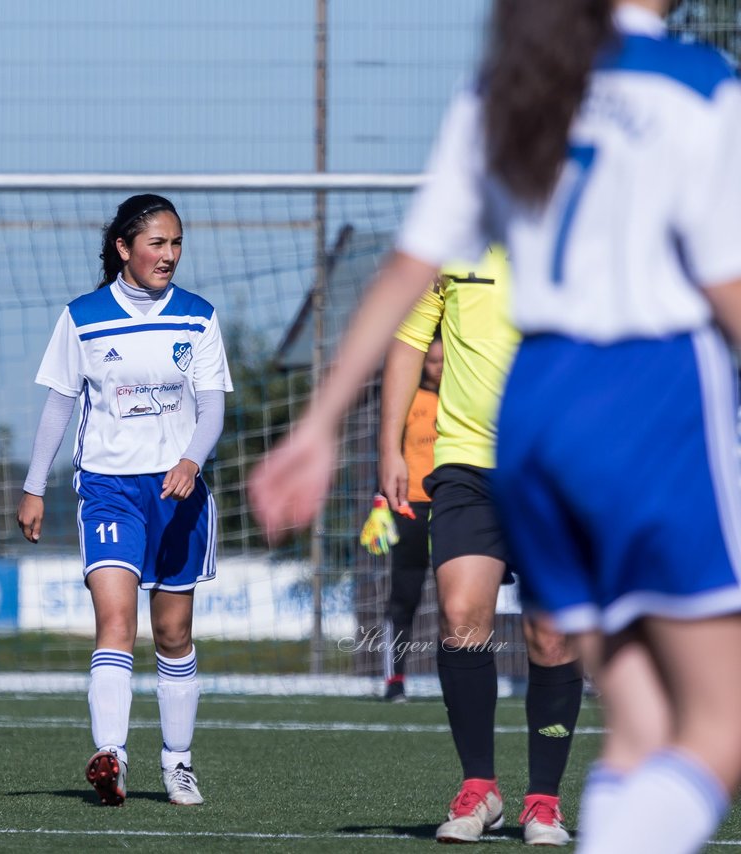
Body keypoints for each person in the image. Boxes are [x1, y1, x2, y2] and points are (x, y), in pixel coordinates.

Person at [250, 1, 741, 851]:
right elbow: (725, 280)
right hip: (637, 395)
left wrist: (319, 421)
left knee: (625, 699)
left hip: (536, 409)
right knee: (714, 716)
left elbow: (405, 264)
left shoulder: (505, 86)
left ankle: (552, 803)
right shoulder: (702, 85)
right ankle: (515, 796)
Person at [17, 194, 233, 807]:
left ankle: (178, 763)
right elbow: (60, 403)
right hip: (110, 489)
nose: (169, 255)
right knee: (115, 623)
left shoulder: (197, 316)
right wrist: (35, 486)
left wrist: (191, 460)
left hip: (177, 489)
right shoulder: (83, 317)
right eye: (157, 244)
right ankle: (111, 755)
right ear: (124, 249)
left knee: (171, 634)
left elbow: (213, 406)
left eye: (177, 244)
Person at [382, 249, 581, 845]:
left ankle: (543, 803)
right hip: (466, 464)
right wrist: (389, 446)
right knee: (461, 613)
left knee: (552, 634)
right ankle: (480, 789)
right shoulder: (456, 235)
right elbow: (410, 337)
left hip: (557, 467)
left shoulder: (582, 227)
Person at [364, 332, 442, 703]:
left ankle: (459, 676)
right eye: (432, 361)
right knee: (405, 595)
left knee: (459, 598)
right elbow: (389, 453)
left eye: (443, 361)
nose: (438, 368)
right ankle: (394, 679)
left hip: (454, 506)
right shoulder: (407, 400)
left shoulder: (465, 400)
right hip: (411, 506)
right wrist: (381, 502)